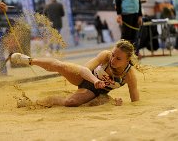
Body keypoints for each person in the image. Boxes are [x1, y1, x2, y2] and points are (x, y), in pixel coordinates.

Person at [10, 39, 140, 108]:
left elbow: (135, 100)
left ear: (127, 60)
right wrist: (95, 80)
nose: (113, 60)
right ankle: (30, 60)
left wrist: (123, 107)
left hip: (95, 91)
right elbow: (84, 69)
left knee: (70, 102)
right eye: (113, 55)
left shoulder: (129, 75)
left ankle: (35, 102)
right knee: (59, 66)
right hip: (85, 76)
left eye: (118, 59)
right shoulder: (105, 56)